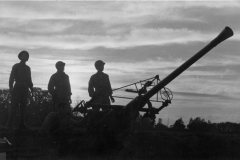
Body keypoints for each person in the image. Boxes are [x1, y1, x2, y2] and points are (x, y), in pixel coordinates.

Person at [7, 50, 34, 129]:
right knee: (14, 105)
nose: (24, 57)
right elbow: (12, 76)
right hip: (17, 86)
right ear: (20, 57)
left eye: (26, 56)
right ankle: (9, 123)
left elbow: (29, 79)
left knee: (23, 106)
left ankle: (22, 124)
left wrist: (31, 88)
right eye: (23, 55)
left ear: (27, 58)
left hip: (25, 87)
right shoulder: (16, 66)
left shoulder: (28, 68)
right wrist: (11, 87)